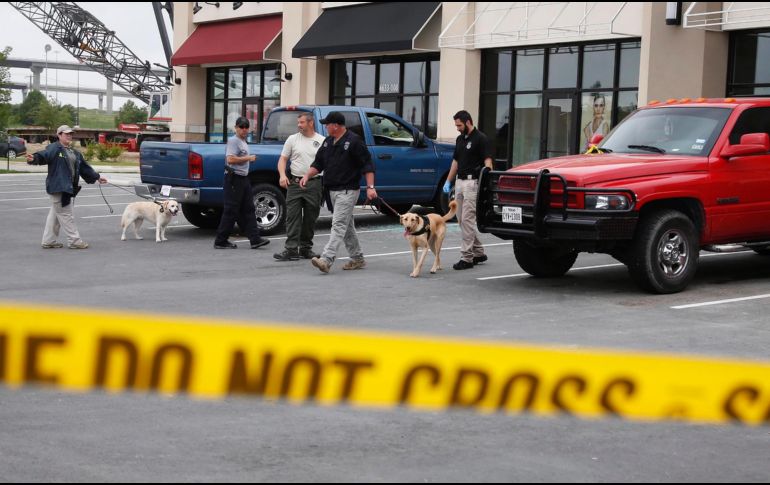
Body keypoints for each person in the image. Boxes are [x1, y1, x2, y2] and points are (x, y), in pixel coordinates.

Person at [300, 111, 377, 274]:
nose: (325, 126)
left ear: (335, 125)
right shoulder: (328, 142)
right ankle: (357, 258)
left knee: (338, 224)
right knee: (347, 226)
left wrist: (370, 187)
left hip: (348, 190)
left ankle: (326, 260)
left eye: (327, 124)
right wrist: (307, 175)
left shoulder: (354, 141)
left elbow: (367, 165)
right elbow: (318, 163)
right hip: (331, 190)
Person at [26, 125, 107, 249]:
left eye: (71, 134)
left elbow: (84, 168)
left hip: (67, 188)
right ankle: (74, 241)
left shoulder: (74, 152)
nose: (69, 135)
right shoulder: (54, 148)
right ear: (59, 135)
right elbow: (44, 155)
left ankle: (48, 241)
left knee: (55, 216)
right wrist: (34, 158)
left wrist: (96, 177)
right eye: (66, 134)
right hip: (59, 187)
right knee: (66, 215)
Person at [442, 110, 494, 270]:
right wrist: (448, 181)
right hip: (459, 182)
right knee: (460, 220)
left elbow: (488, 161)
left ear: (468, 122)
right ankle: (478, 252)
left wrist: (486, 182)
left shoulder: (481, 139)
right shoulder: (459, 139)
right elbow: (455, 163)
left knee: (467, 220)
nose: (457, 128)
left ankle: (467, 258)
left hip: (472, 183)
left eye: (459, 125)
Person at [274, 112, 326, 261]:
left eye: (302, 122)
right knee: (292, 217)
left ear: (311, 123)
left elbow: (326, 163)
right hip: (295, 183)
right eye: (298, 122)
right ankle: (291, 249)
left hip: (314, 183)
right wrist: (282, 175)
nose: (299, 125)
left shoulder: (322, 141)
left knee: (311, 217)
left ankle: (305, 248)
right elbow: (283, 159)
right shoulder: (292, 139)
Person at [214, 116, 270, 250]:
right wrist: (249, 158)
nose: (244, 129)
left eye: (246, 127)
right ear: (236, 128)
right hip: (234, 179)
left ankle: (255, 239)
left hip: (243, 179)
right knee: (231, 210)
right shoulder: (234, 141)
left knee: (249, 209)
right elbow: (231, 160)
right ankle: (220, 240)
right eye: (241, 127)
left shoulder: (243, 141)